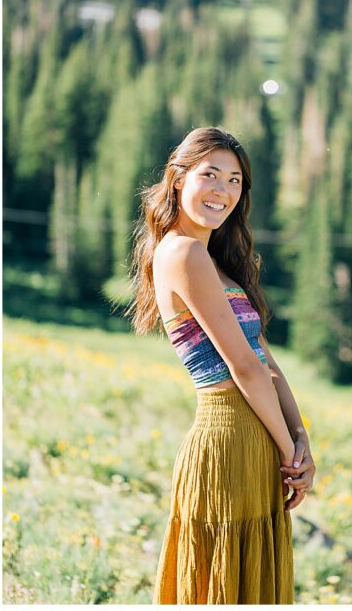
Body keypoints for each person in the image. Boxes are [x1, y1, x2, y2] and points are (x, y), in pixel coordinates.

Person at [125, 127, 315, 603]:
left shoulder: (214, 262)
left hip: (255, 439)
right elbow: (245, 369)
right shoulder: (183, 252)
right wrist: (289, 454)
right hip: (229, 440)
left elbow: (267, 362)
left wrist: (300, 439)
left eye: (234, 181)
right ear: (178, 179)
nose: (223, 191)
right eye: (210, 175)